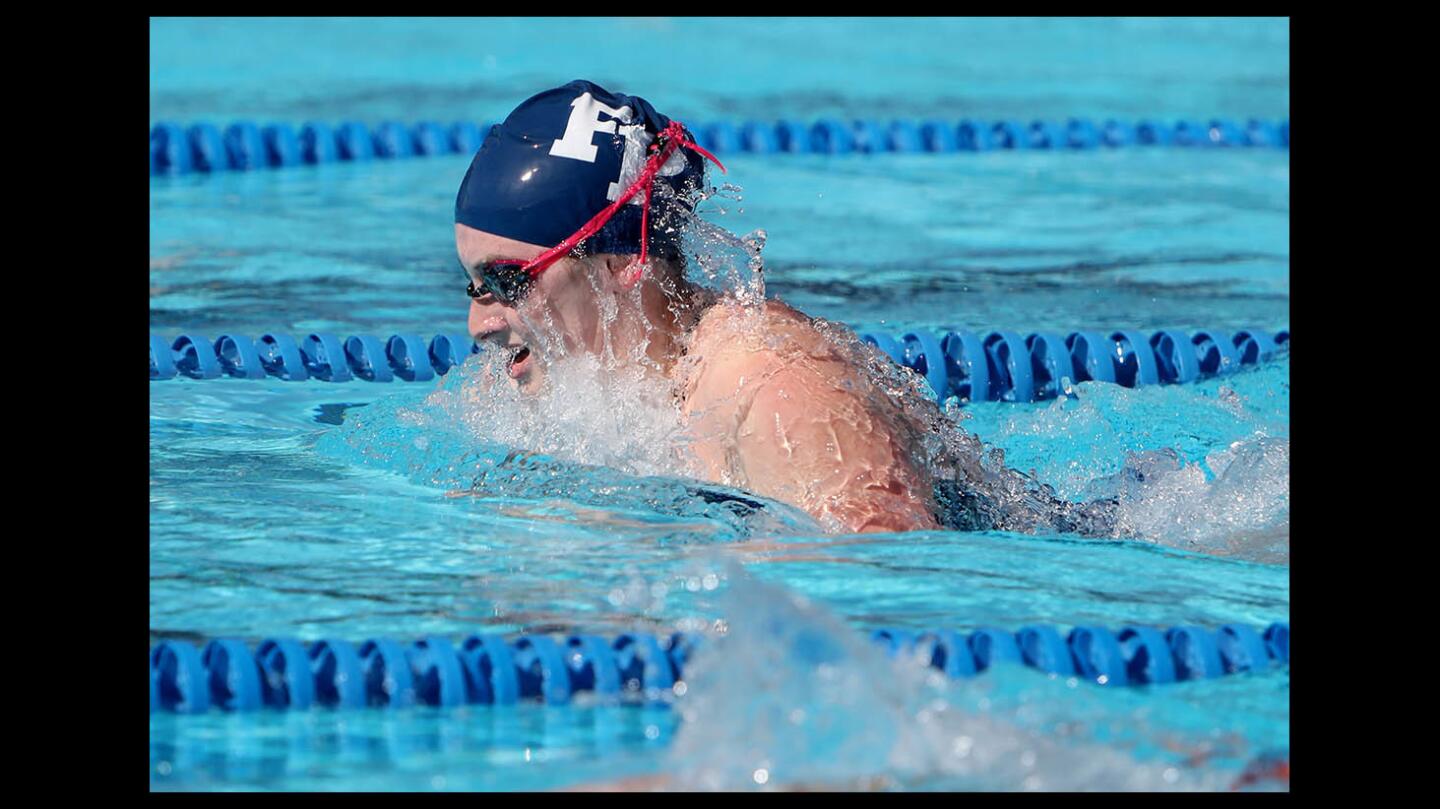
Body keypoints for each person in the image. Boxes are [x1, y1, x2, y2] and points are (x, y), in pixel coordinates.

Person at [455, 79, 1112, 536]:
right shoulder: (565, 378)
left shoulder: (773, 388)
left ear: (626, 260)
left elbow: (900, 599)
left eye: (508, 282)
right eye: (473, 286)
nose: (479, 323)